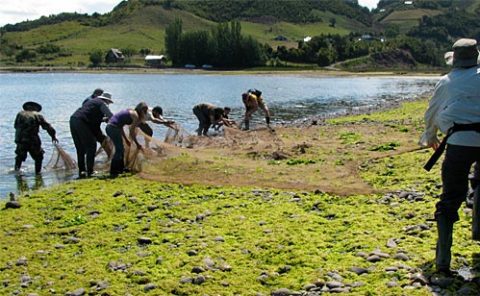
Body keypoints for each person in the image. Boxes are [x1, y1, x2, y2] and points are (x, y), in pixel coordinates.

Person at [420, 38, 480, 275]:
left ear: (454, 59)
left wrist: (430, 136)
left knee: (451, 198)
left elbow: (432, 112)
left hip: (458, 144)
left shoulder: (447, 82)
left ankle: (443, 260)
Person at [70, 92, 114, 178]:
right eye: (108, 103)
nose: (108, 104)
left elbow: (90, 116)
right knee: (91, 146)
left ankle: (82, 171)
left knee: (80, 148)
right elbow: (111, 116)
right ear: (106, 101)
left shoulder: (91, 102)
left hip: (73, 120)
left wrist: (104, 119)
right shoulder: (102, 103)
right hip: (82, 122)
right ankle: (90, 171)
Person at [14, 101, 58, 174]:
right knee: (39, 157)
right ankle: (38, 174)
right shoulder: (37, 115)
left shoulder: (19, 114)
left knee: (19, 157)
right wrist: (53, 137)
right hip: (32, 140)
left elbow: (15, 126)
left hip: (20, 140)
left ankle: (17, 173)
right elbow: (48, 127)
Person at [106, 102, 148, 176]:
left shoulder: (130, 111)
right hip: (113, 128)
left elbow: (120, 126)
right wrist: (137, 144)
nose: (144, 113)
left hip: (111, 127)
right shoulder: (135, 116)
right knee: (119, 149)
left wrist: (126, 139)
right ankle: (113, 171)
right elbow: (132, 132)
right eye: (144, 111)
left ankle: (120, 168)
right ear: (141, 111)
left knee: (121, 149)